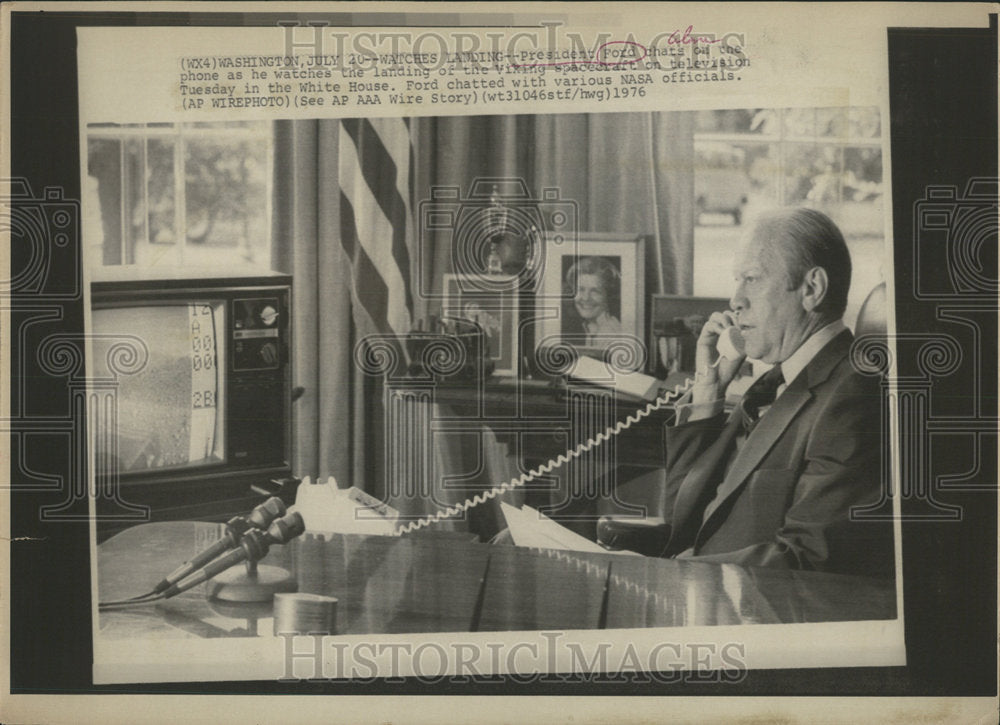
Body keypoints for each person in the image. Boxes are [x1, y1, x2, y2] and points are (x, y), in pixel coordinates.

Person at [659, 207, 893, 577]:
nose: (735, 300)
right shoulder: (774, 385)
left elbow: (811, 557)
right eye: (738, 280)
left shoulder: (853, 396)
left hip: (752, 612)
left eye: (751, 279)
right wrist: (708, 393)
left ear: (812, 289)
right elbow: (680, 522)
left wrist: (684, 576)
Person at [563, 256, 622, 347]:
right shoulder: (593, 328)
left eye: (595, 291)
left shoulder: (612, 335)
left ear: (608, 295)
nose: (586, 298)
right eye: (581, 290)